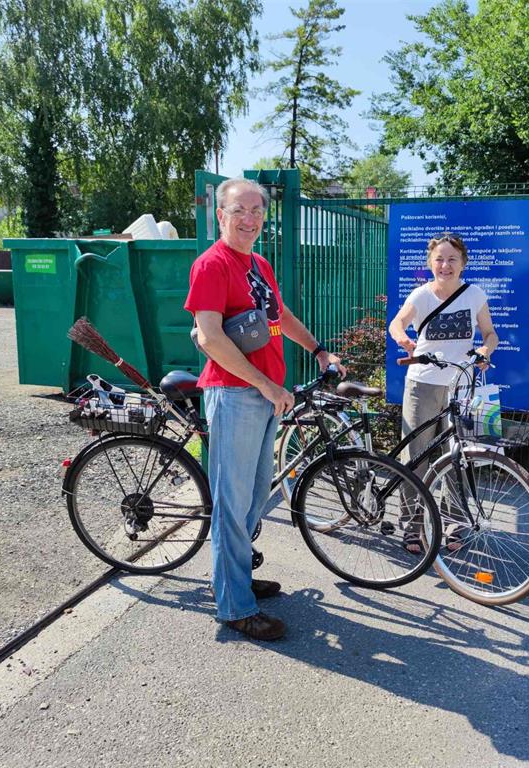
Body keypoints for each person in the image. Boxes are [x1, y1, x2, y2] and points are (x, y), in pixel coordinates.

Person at [185, 177, 345, 642]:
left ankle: (236, 578)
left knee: (255, 497)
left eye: (257, 211)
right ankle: (234, 606)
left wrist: (318, 350)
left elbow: (280, 315)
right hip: (236, 394)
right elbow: (210, 337)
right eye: (240, 210)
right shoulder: (211, 265)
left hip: (264, 395)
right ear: (221, 215)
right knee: (233, 506)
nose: (250, 219)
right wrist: (265, 385)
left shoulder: (258, 263)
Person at [387, 232, 499, 552]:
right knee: (416, 457)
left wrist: (484, 350)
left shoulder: (474, 294)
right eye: (439, 259)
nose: (445, 265)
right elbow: (397, 323)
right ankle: (412, 526)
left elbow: (491, 334)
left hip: (461, 387)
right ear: (430, 262)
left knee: (458, 458)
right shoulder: (421, 295)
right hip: (422, 385)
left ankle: (453, 524)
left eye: (452, 259)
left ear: (463, 262)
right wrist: (404, 340)